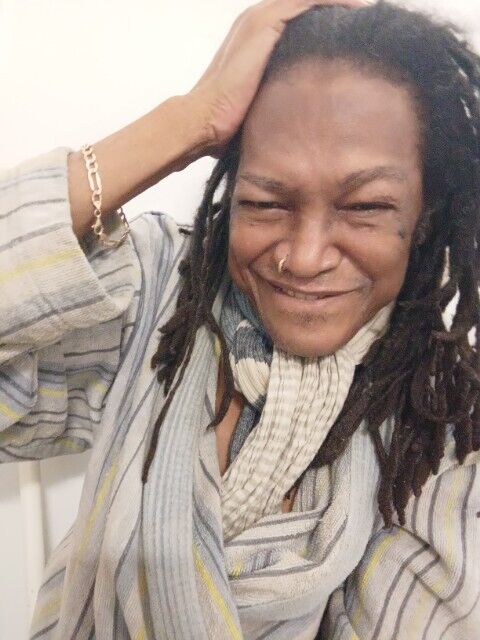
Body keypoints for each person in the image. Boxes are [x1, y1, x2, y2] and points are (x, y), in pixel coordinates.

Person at [1, 0, 479, 637]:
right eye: (266, 203)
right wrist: (187, 121)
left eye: (364, 206)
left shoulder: (441, 428)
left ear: (424, 214)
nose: (304, 257)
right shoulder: (154, 304)